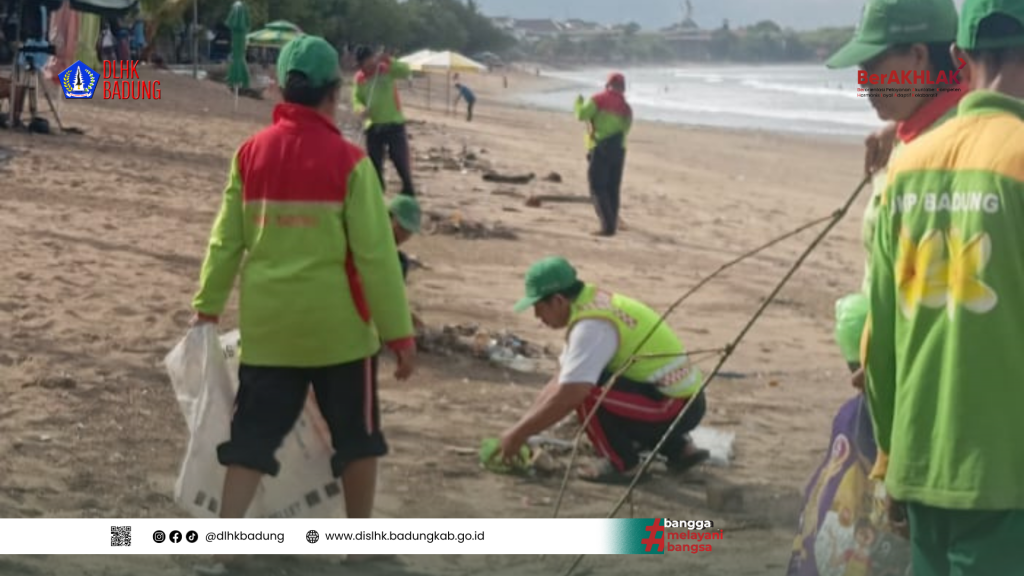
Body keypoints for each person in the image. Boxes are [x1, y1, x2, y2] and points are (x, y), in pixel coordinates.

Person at [189, 35, 416, 575]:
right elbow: (377, 258)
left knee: (251, 439)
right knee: (357, 439)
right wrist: (399, 335)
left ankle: (226, 547)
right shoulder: (351, 164)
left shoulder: (251, 155)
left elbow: (226, 241)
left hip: (271, 330)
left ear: (283, 89)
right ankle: (359, 547)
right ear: (333, 94)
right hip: (341, 333)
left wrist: (207, 307)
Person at [864, 1, 1024, 574]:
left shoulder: (908, 166)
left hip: (919, 460)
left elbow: (878, 339)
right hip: (1005, 473)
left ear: (958, 59)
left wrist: (889, 458)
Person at [824, 0, 962, 392]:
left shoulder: (951, 151)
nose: (864, 84)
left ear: (918, 55)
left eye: (871, 68)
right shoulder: (913, 133)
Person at [495, 256, 709, 484]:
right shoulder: (591, 304)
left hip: (674, 406)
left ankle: (624, 465)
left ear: (557, 301)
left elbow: (570, 393)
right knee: (586, 382)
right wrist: (521, 429)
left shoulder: (592, 327)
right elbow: (560, 378)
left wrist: (520, 434)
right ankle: (679, 449)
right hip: (679, 398)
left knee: (586, 392)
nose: (538, 317)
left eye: (538, 307)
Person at [352, 45, 416, 197]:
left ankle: (408, 187)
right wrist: (360, 109)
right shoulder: (359, 78)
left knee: (399, 158)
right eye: (365, 64)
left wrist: (389, 60)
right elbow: (356, 99)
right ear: (361, 65)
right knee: (374, 162)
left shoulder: (386, 69)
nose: (369, 67)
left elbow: (406, 71)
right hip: (373, 125)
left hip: (393, 123)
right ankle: (378, 191)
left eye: (370, 61)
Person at [575, 73, 632, 237]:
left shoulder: (598, 99)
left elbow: (581, 115)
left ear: (608, 84)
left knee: (597, 187)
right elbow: (626, 129)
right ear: (623, 87)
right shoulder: (626, 107)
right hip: (619, 149)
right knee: (613, 188)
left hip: (600, 146)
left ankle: (607, 227)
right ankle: (612, 224)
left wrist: (578, 103)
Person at [388, 194, 420, 282]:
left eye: (409, 231)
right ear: (388, 217)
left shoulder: (400, 262)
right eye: (401, 228)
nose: (404, 236)